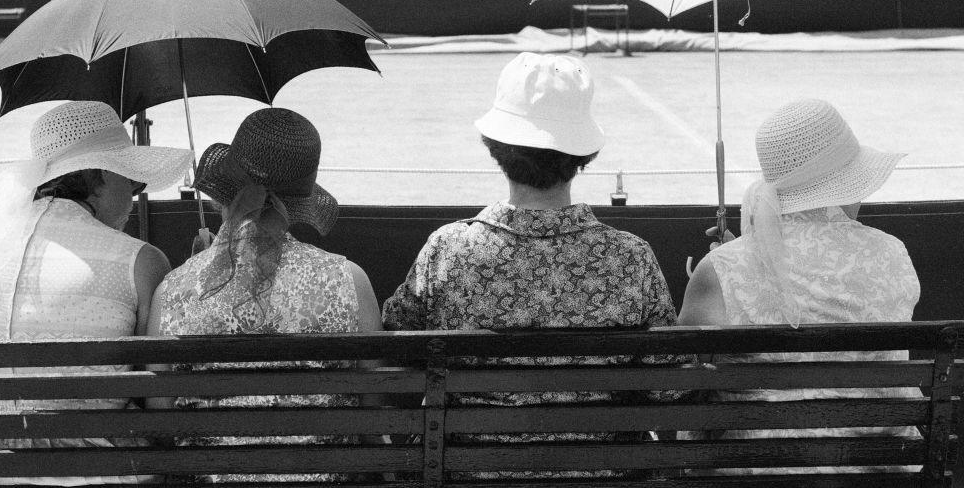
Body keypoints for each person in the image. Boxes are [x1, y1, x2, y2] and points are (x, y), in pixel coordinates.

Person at [382, 52, 688, 479]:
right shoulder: (631, 258)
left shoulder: (447, 250)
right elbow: (666, 386)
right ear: (582, 155)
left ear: (496, 148)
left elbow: (397, 353)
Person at [0, 101, 192, 485]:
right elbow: (161, 407)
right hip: (99, 475)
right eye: (131, 179)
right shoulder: (139, 260)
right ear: (99, 176)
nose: (134, 194)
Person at [678, 98, 922, 474]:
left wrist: (729, 264)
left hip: (756, 473)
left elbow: (681, 373)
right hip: (876, 468)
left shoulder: (723, 268)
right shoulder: (893, 254)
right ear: (844, 184)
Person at [148, 108, 382, 483]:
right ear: (301, 200)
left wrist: (201, 268)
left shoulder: (174, 289)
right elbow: (373, 406)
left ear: (225, 191)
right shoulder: (349, 281)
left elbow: (160, 416)